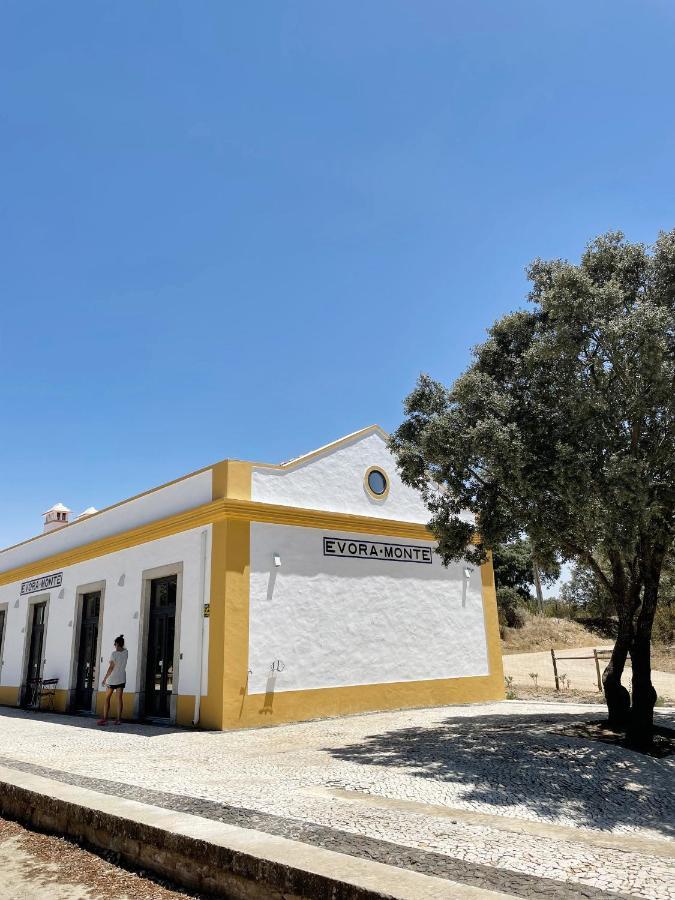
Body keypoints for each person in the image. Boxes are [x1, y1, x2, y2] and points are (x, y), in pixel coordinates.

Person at [98, 635, 128, 726]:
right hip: (122, 677)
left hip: (112, 679)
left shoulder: (114, 654)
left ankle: (105, 719)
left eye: (115, 644)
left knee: (107, 698)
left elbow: (111, 668)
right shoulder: (126, 652)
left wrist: (104, 679)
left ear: (118, 644)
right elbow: (124, 649)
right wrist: (120, 640)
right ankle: (118, 720)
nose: (114, 645)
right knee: (119, 699)